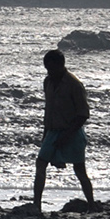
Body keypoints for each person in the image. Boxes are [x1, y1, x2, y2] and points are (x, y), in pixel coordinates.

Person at [35, 49, 95, 210]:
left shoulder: (74, 84)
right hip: (52, 131)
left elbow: (83, 114)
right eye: (47, 68)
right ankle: (36, 206)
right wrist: (45, 135)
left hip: (73, 132)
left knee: (79, 169)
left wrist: (66, 136)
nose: (50, 72)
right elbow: (48, 111)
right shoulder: (47, 82)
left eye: (52, 68)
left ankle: (92, 204)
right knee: (40, 164)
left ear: (61, 65)